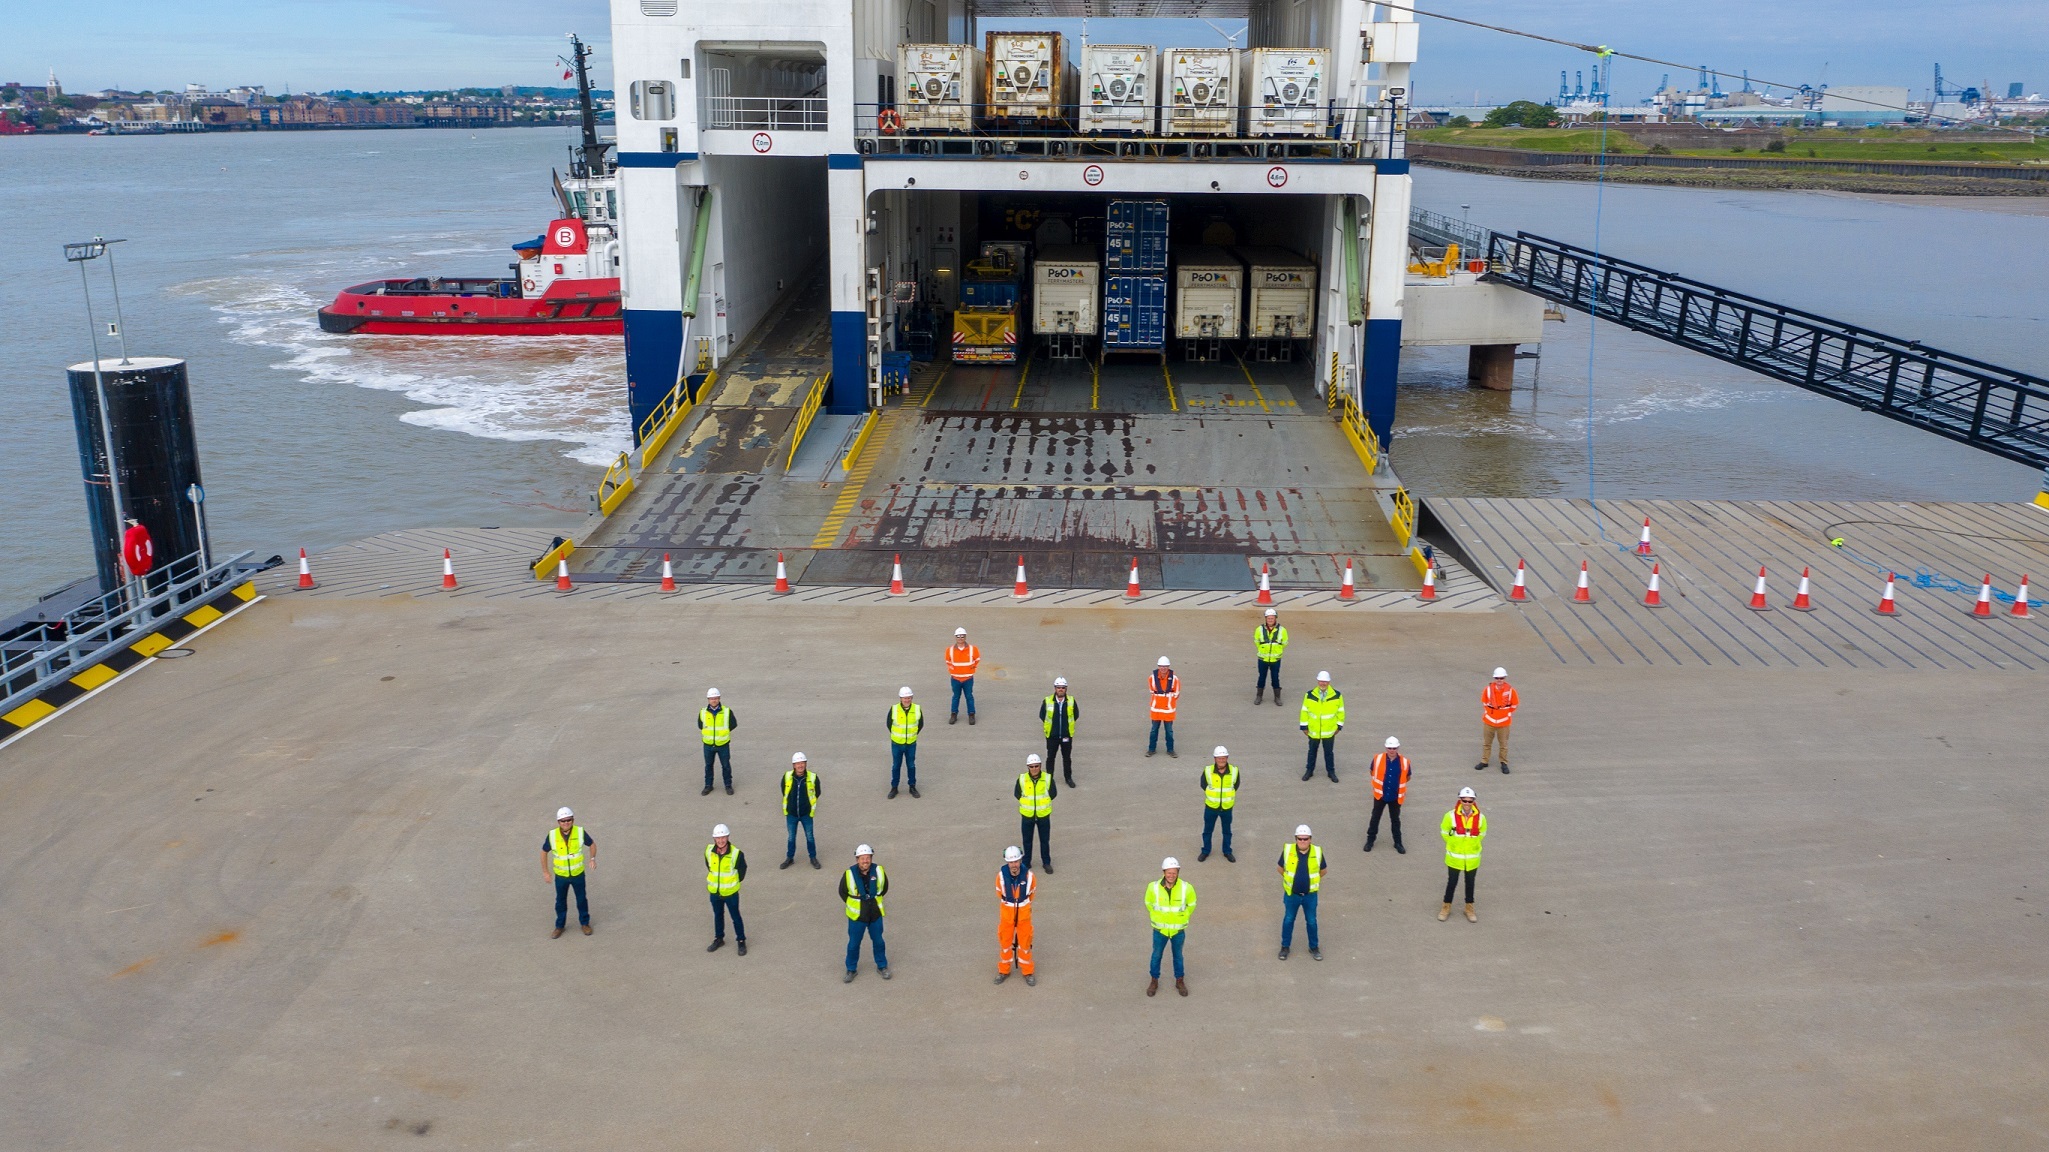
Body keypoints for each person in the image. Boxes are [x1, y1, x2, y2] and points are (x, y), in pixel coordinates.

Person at [1144, 857, 1197, 997]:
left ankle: (1179, 980)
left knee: (1178, 956)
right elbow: (1148, 903)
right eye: (1169, 872)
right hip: (1159, 930)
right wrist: (1157, 917)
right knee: (1156, 956)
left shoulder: (1187, 887)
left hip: (1177, 931)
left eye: (1174, 873)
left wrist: (1183, 917)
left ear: (1178, 872)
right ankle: (1154, 980)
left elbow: (1191, 905)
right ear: (1164, 872)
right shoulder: (1153, 887)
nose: (1171, 876)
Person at [542, 806, 595, 938]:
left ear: (573, 820)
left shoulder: (580, 832)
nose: (566, 823)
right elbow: (543, 852)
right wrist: (546, 872)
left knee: (581, 899)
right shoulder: (552, 835)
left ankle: (585, 924)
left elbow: (592, 844)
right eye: (563, 821)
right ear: (558, 822)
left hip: (578, 874)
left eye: (569, 820)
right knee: (560, 901)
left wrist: (592, 858)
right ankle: (559, 926)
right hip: (561, 876)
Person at [840, 844, 890, 981]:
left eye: (867, 858)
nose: (865, 861)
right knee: (853, 944)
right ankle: (851, 969)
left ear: (871, 858)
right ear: (857, 860)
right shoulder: (849, 874)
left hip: (875, 913)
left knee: (879, 941)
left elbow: (884, 888)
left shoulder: (879, 871)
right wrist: (857, 903)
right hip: (857, 916)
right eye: (862, 858)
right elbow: (843, 892)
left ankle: (882, 966)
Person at [1277, 824, 1326, 960]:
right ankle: (1285, 947)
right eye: (1300, 839)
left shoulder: (1317, 852)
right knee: (1288, 920)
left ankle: (1314, 947)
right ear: (1296, 839)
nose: (1302, 841)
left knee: (1311, 921)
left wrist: (1310, 882)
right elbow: (1280, 868)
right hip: (1292, 895)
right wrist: (1290, 880)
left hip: (1310, 896)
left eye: (1305, 839)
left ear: (1310, 839)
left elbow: (1323, 871)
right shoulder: (1288, 850)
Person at [1440, 787, 1487, 923]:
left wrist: (1473, 844)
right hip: (1455, 856)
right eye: (1464, 800)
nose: (1467, 803)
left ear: (1473, 801)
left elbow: (1482, 833)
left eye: (1469, 801)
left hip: (1472, 857)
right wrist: (1453, 844)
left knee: (1470, 883)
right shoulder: (1450, 816)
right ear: (1460, 800)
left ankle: (1469, 907)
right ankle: (1446, 907)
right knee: (1452, 882)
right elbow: (1444, 831)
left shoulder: (1481, 818)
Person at [995, 845, 1037, 986]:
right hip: (1007, 915)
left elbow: (1031, 894)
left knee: (1025, 944)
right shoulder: (1001, 877)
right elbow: (1000, 893)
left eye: (1016, 861)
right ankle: (1004, 970)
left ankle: (1028, 971)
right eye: (1011, 862)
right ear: (1007, 862)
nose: (1014, 864)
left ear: (1020, 861)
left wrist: (1022, 906)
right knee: (1005, 943)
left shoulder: (1029, 876)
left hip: (1024, 916)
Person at [704, 823, 747, 955]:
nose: (721, 841)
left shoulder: (736, 854)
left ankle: (741, 941)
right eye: (718, 838)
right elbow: (709, 866)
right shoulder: (708, 851)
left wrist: (733, 883)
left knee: (736, 917)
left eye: (723, 837)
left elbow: (742, 870)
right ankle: (719, 938)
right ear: (714, 839)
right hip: (715, 892)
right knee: (718, 915)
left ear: (728, 837)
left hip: (730, 893)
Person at [1365, 736, 1411, 853]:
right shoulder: (1377, 759)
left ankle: (1398, 843)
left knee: (1395, 820)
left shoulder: (1405, 762)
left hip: (1395, 797)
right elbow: (1372, 771)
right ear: (1386, 747)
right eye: (1390, 748)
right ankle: (1370, 840)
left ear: (1398, 748)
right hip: (1380, 795)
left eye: (1394, 748)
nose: (1392, 750)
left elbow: (1407, 777)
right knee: (1375, 818)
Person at [1299, 671, 1345, 782]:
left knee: (1329, 753)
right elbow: (1304, 711)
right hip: (1313, 730)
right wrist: (1304, 726)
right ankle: (1309, 771)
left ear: (1329, 682)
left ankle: (1331, 772)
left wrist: (1339, 726)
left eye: (1325, 681)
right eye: (1320, 681)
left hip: (1329, 730)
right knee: (1312, 751)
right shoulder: (1309, 695)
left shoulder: (1337, 695)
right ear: (1317, 681)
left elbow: (1341, 711)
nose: (1322, 683)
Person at [1015, 753, 1057, 873]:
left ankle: (1046, 862)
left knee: (1045, 840)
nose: (1034, 769)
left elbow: (1053, 793)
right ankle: (1026, 863)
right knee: (1027, 840)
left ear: (1040, 766)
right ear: (1028, 767)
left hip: (1043, 815)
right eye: (1032, 766)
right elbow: (1017, 793)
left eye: (1036, 766)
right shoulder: (1022, 779)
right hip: (1027, 815)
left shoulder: (1048, 778)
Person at [1196, 747, 1240, 863]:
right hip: (1211, 807)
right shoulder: (1208, 770)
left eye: (1224, 758)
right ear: (1215, 759)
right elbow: (1203, 784)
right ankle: (1205, 851)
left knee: (1227, 831)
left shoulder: (1234, 771)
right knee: (1207, 830)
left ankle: (1227, 851)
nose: (1221, 760)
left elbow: (1236, 785)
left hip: (1227, 808)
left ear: (1227, 758)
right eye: (1219, 758)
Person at [780, 752, 821, 869]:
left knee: (810, 837)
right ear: (793, 765)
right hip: (791, 814)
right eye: (798, 763)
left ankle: (813, 857)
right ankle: (790, 858)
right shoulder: (787, 776)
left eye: (802, 763)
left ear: (806, 764)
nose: (800, 766)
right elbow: (784, 790)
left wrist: (808, 805)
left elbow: (817, 792)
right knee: (791, 837)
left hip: (806, 814)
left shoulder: (813, 777)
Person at [1039, 677, 1080, 787]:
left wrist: (1066, 728)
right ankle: (1049, 779)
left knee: (1066, 758)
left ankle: (1068, 778)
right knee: (1050, 757)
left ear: (1066, 689)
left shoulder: (1071, 701)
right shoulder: (1047, 701)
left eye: (1062, 688)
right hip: (1052, 736)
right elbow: (1042, 715)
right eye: (1058, 687)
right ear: (1055, 688)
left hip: (1066, 736)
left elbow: (1075, 715)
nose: (1060, 689)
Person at [698, 687, 738, 796]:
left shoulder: (726, 711)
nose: (714, 700)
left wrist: (722, 734)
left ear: (719, 698)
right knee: (708, 765)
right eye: (711, 698)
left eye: (715, 698)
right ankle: (708, 785)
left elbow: (733, 724)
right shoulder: (703, 712)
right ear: (708, 699)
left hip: (723, 744)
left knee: (725, 765)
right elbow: (700, 725)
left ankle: (728, 785)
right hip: (708, 744)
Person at [1478, 667, 1518, 775]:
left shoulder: (1510, 691)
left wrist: (1506, 713)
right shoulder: (1488, 690)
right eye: (1497, 678)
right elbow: (1485, 702)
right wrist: (1491, 713)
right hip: (1489, 721)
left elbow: (1514, 704)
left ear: (1504, 678)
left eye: (1501, 678)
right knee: (1487, 743)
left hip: (1504, 723)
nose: (1499, 680)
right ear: (1494, 678)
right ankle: (1484, 761)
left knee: (1503, 744)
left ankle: (1503, 762)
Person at [886, 686, 924, 798]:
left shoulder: (917, 709)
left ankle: (912, 786)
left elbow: (920, 724)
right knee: (896, 766)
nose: (907, 700)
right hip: (897, 743)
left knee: (911, 765)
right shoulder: (894, 709)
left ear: (911, 698)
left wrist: (912, 735)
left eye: (909, 698)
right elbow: (889, 724)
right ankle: (894, 787)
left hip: (911, 743)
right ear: (900, 698)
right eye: (904, 698)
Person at [944, 627, 981, 724]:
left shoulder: (973, 649)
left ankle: (971, 715)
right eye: (958, 636)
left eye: (962, 636)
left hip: (968, 679)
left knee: (969, 696)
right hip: (955, 678)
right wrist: (952, 671)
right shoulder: (950, 650)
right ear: (955, 637)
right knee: (956, 697)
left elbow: (977, 659)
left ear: (965, 637)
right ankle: (953, 714)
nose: (960, 638)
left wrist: (972, 669)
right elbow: (948, 661)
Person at [1146, 657, 1181, 758]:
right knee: (1154, 730)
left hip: (1168, 710)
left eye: (1165, 666)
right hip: (1156, 709)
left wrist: (1167, 699)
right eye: (1161, 666)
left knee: (1169, 731)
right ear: (1158, 666)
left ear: (1168, 667)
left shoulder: (1174, 679)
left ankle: (1170, 750)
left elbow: (1177, 693)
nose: (1163, 668)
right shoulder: (1152, 678)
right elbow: (1151, 690)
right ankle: (1151, 749)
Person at [1253, 607, 1287, 705]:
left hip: (1275, 659)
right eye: (1268, 618)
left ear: (1275, 618)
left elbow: (1284, 643)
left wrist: (1277, 651)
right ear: (1266, 619)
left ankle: (1277, 697)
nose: (1270, 620)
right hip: (1262, 658)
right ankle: (1259, 696)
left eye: (1272, 618)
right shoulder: (1259, 629)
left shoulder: (1282, 630)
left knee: (1275, 678)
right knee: (1261, 677)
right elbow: (1256, 641)